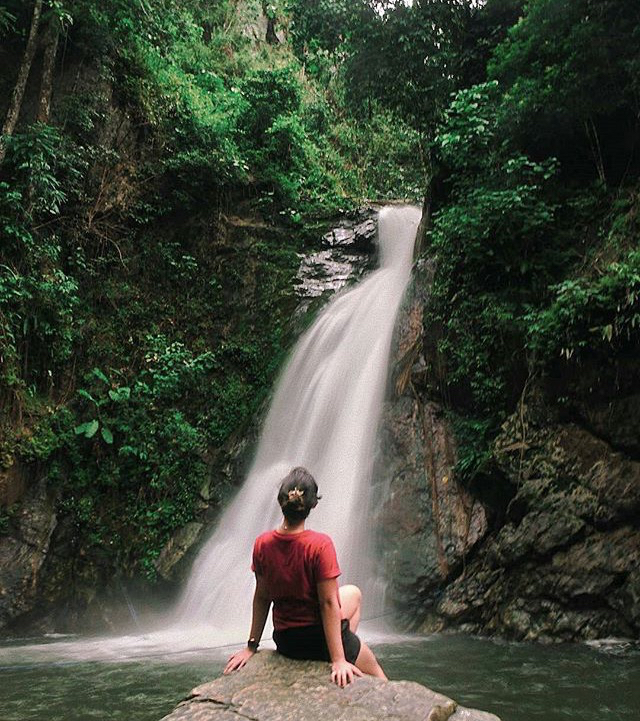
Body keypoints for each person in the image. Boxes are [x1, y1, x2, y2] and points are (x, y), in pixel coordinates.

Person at [224, 466, 387, 687]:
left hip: (286, 641)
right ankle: (339, 653)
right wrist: (338, 659)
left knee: (353, 594)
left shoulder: (262, 544)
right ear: (313, 504)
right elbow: (328, 603)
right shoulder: (319, 545)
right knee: (377, 673)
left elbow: (262, 597)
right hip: (317, 640)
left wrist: (251, 646)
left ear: (281, 502)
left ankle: (342, 647)